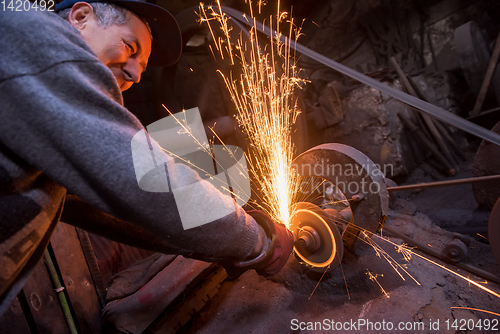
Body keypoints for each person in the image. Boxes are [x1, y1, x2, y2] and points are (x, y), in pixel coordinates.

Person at [0, 0, 293, 315]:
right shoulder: (30, 32)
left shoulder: (47, 122)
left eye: (143, 64)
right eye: (130, 47)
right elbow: (142, 178)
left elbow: (120, 208)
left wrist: (223, 240)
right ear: (81, 16)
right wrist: (255, 240)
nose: (136, 73)